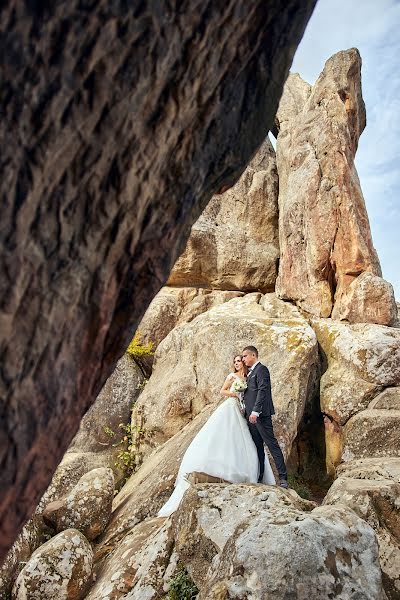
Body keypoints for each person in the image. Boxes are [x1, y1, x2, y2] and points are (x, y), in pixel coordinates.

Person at [157, 355, 275, 517]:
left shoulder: (248, 376)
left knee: (245, 439)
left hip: (243, 410)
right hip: (230, 407)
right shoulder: (232, 377)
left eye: (239, 361)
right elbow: (222, 391)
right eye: (234, 362)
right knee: (228, 433)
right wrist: (235, 394)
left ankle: (249, 469)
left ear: (243, 363)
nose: (236, 364)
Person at [241, 345, 288, 488]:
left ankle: (283, 478)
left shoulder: (262, 370)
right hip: (250, 417)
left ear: (253, 356)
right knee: (257, 447)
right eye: (242, 357)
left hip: (260, 415)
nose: (243, 359)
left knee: (272, 444)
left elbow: (263, 390)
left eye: (245, 356)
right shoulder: (249, 373)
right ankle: (260, 476)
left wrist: (256, 411)